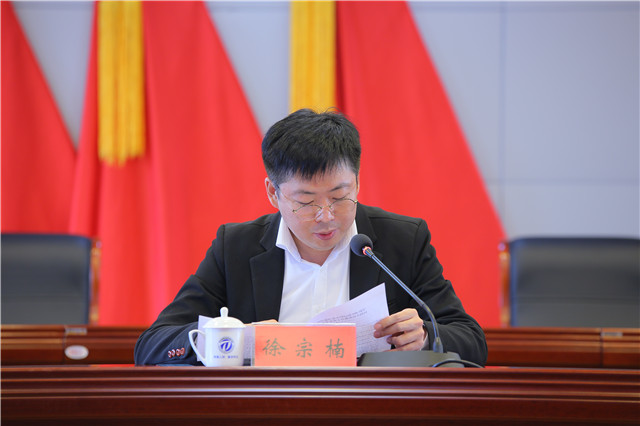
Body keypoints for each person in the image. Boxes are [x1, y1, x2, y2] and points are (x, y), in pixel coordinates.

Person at [134, 109, 487, 366]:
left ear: (357, 182)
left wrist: (425, 336)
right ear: (273, 193)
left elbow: (471, 340)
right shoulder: (236, 247)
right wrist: (236, 339)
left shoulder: (402, 240)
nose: (326, 216)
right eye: (306, 202)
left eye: (340, 196)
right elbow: (153, 345)